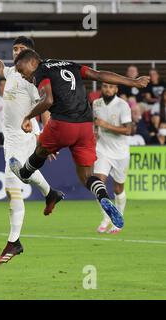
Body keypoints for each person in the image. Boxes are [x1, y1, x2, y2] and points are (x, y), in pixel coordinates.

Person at [10, 49, 150, 233]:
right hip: (85, 125)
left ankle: (25, 172)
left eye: (22, 70)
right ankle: (103, 196)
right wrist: (133, 81)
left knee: (41, 148)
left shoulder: (41, 71)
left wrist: (28, 117)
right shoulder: (69, 64)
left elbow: (48, 99)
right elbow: (99, 75)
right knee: (86, 176)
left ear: (32, 62)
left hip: (63, 123)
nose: (23, 75)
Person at [0, 28, 64, 265]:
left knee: (13, 185)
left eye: (21, 49)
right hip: (9, 139)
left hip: (24, 136)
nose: (17, 52)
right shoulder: (11, 72)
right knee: (19, 179)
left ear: (31, 54)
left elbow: (46, 107)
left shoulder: (34, 79)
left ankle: (14, 242)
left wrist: (48, 139)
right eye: (15, 49)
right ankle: (50, 193)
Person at [93, 83, 132, 234]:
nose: (108, 89)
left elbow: (128, 130)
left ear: (116, 89)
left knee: (118, 188)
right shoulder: (96, 103)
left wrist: (105, 125)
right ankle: (106, 218)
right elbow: (95, 123)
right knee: (98, 184)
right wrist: (95, 131)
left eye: (111, 87)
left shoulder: (123, 105)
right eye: (105, 86)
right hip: (102, 149)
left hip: (120, 152)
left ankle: (118, 219)